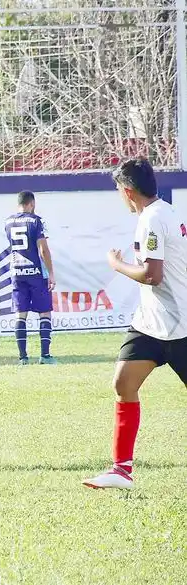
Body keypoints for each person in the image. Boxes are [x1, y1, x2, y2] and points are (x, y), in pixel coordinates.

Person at [83, 158, 187, 490]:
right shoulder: (163, 212)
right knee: (123, 383)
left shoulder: (153, 219)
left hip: (178, 325)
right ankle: (121, 469)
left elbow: (153, 275)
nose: (119, 195)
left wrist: (117, 264)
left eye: (118, 189)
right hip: (150, 322)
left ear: (128, 191)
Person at [4, 191, 57, 365]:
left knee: (20, 314)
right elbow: (43, 250)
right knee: (44, 312)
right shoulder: (36, 221)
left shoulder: (8, 222)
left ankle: (23, 357)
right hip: (36, 273)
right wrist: (51, 273)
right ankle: (45, 355)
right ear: (32, 203)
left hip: (17, 272)